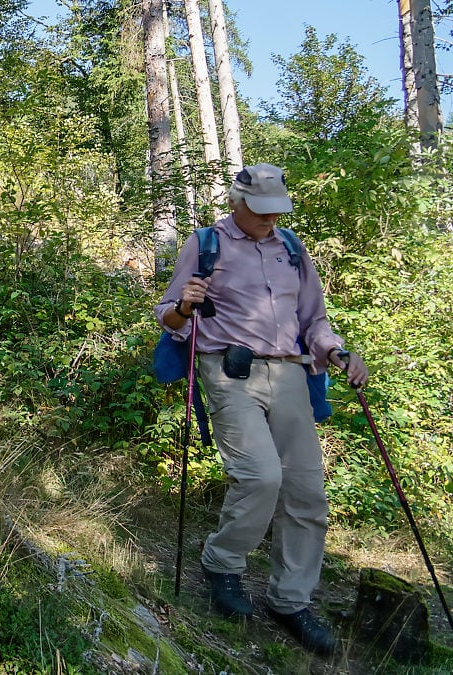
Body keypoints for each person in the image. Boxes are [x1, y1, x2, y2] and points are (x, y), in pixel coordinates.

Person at [156, 163, 369, 656]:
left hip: (291, 372)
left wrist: (337, 352)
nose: (271, 218)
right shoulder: (206, 243)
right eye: (261, 210)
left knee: (306, 490)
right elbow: (168, 315)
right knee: (259, 475)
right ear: (237, 203)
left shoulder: (291, 248)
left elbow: (314, 320)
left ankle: (290, 600)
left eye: (277, 210)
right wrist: (184, 307)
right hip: (229, 370)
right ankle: (222, 561)